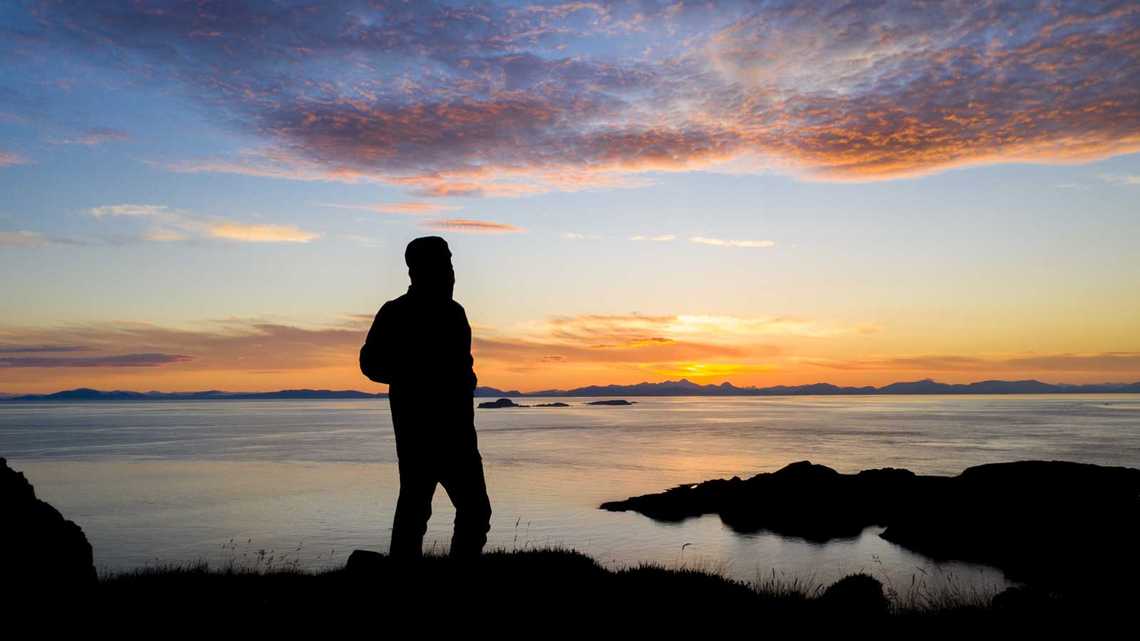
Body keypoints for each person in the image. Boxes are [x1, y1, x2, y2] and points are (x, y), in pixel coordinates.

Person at [359, 236, 492, 559]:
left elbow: (463, 364)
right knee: (414, 514)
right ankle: (405, 583)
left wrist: (466, 379)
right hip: (417, 434)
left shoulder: (455, 315)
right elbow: (370, 363)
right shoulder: (395, 313)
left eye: (449, 263)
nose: (449, 272)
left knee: (475, 512)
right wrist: (414, 371)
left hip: (460, 435)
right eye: (442, 264)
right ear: (416, 270)